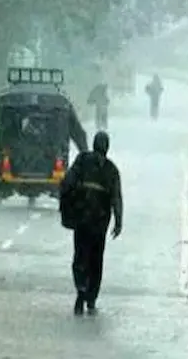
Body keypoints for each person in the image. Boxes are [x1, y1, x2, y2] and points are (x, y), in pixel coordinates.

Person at [59, 131, 123, 315]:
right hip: (100, 223)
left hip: (82, 220)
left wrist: (65, 206)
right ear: (107, 147)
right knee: (96, 260)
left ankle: (81, 288)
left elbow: (67, 183)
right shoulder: (111, 170)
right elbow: (116, 197)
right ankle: (91, 298)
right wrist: (118, 221)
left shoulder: (82, 160)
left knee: (80, 256)